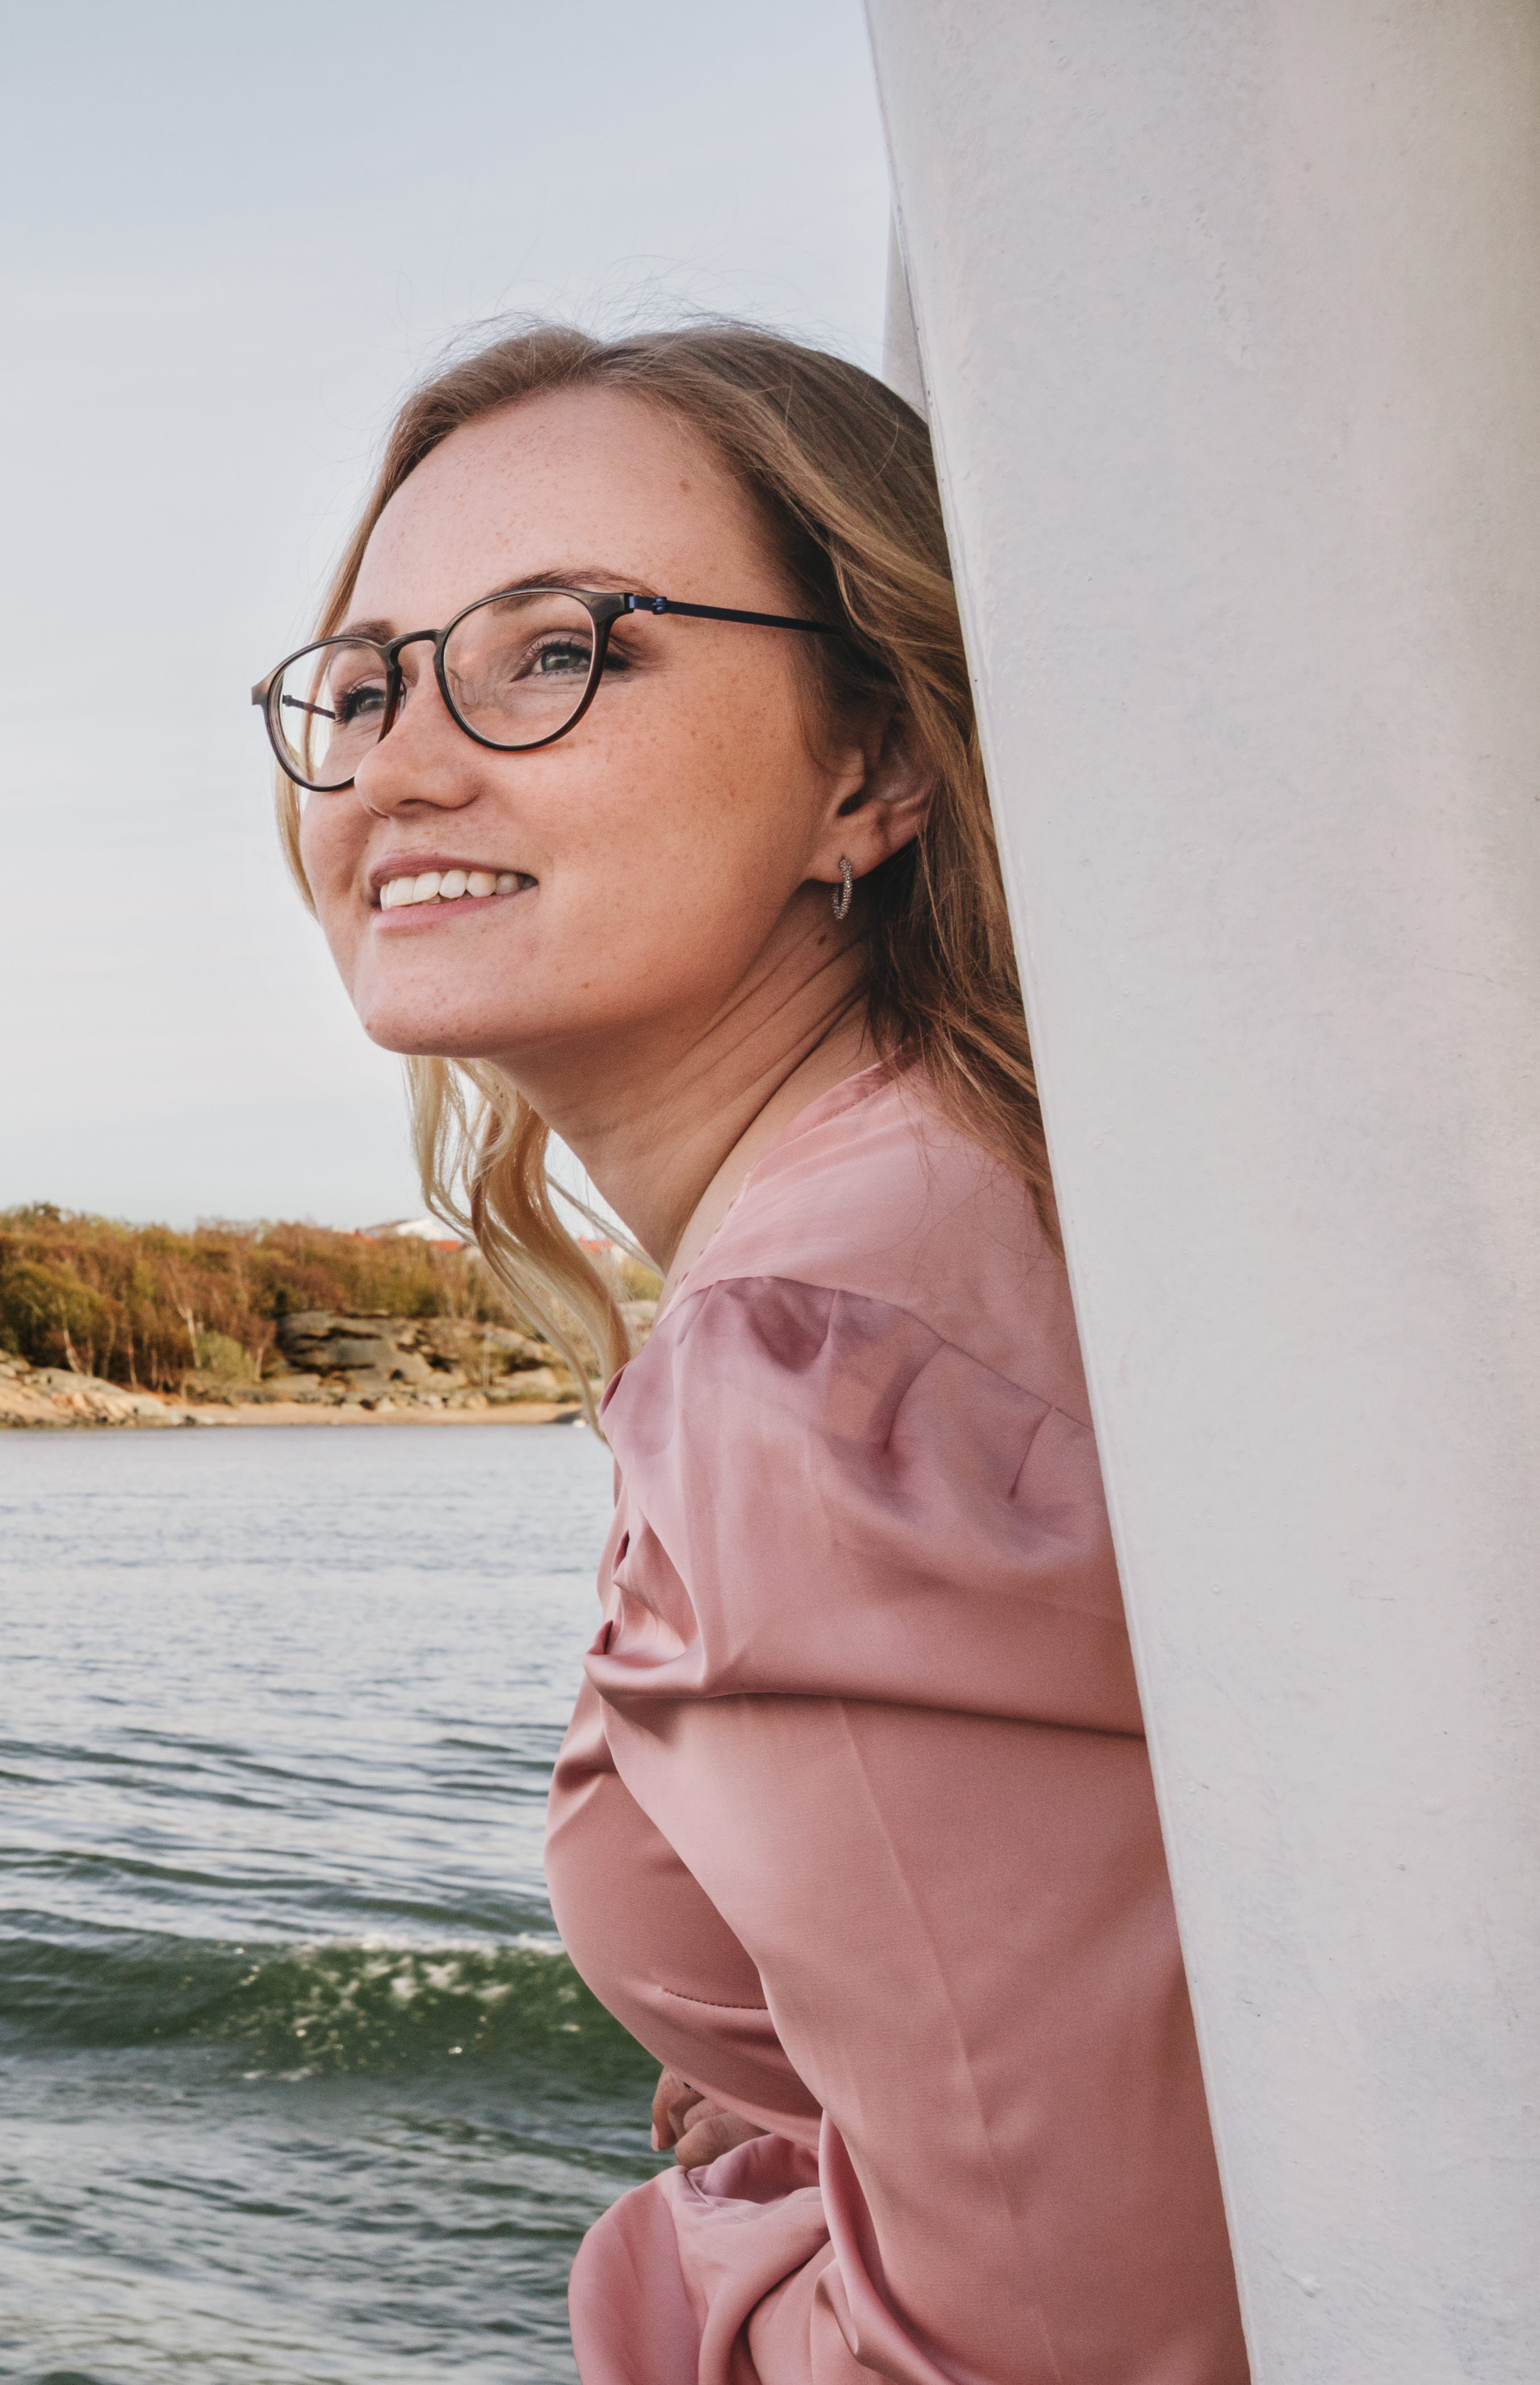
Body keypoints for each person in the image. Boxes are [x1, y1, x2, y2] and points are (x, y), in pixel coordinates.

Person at [253, 322, 1248, 2384]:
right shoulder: (978, 1196)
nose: (401, 766)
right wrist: (839, 2109)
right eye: (358, 686)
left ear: (871, 764)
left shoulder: (808, 1360)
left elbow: (1066, 2355)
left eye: (556, 654)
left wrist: (714, 2233)